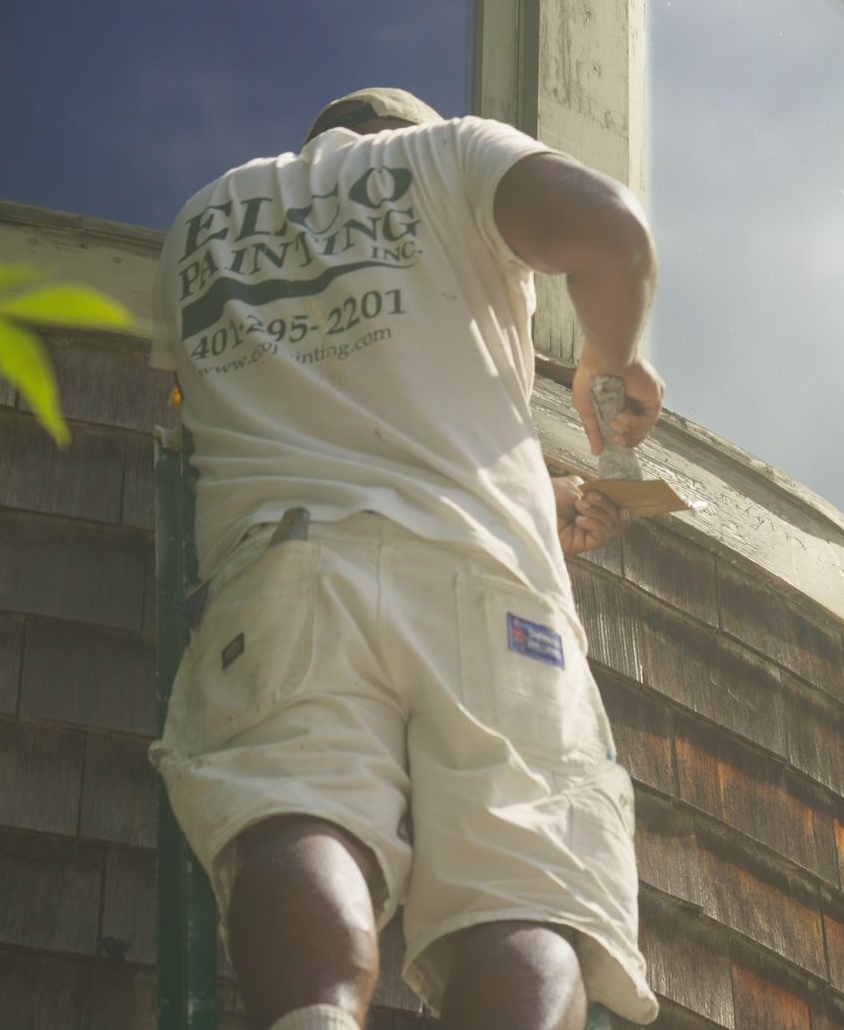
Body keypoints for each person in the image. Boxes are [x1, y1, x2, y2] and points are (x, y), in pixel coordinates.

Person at [146, 87, 665, 1030]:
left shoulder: (203, 220)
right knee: (522, 878)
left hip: (288, 572)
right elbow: (611, 233)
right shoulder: (450, 158)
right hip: (484, 583)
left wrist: (538, 497)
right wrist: (606, 358)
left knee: (300, 805)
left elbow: (294, 411)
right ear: (408, 134)